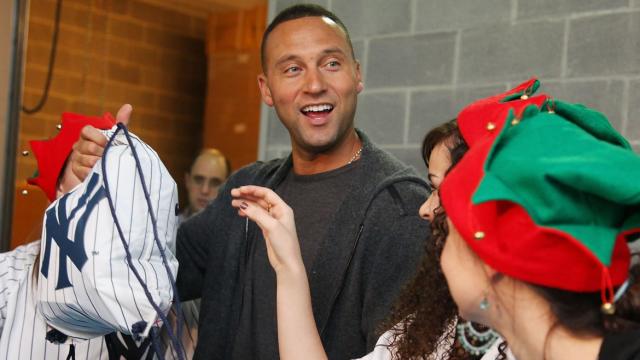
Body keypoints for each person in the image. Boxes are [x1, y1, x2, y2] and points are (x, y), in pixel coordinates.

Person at [68, 4, 430, 359]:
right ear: (266, 90)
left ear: (357, 75)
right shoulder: (247, 189)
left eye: (331, 64)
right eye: (292, 69)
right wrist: (99, 188)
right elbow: (150, 272)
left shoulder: (400, 208)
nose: (315, 84)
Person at [231, 78, 640, 359]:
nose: (427, 210)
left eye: (447, 201)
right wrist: (289, 264)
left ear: (495, 259)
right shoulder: (448, 325)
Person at [0, 109, 179, 359]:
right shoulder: (9, 275)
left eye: (112, 172)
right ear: (59, 186)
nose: (102, 182)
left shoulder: (156, 285)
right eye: (88, 169)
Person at [181, 148, 231, 223]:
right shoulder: (167, 227)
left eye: (215, 183)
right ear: (187, 181)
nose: (205, 190)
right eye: (198, 180)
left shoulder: (237, 232)